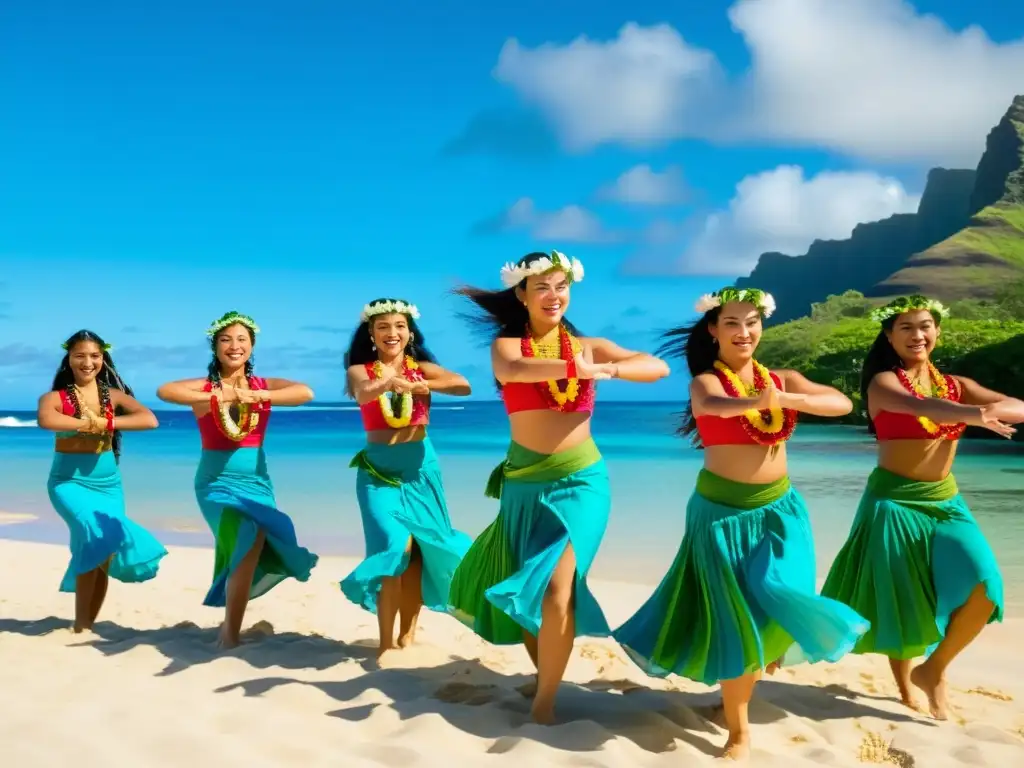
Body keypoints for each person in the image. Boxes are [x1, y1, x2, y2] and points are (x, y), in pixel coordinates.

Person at [612, 287, 869, 761]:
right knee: (737, 618)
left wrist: (786, 396)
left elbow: (841, 405)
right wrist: (760, 400)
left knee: (782, 596)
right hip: (722, 516)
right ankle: (739, 732)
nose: (744, 331)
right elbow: (713, 408)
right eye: (732, 323)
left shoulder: (782, 378)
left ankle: (744, 683)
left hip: (782, 512)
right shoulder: (706, 382)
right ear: (713, 329)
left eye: (751, 321)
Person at [447, 250, 670, 725]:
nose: (553, 296)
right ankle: (546, 674)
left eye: (561, 286)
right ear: (522, 294)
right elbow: (516, 372)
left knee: (555, 588)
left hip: (582, 481)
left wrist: (608, 368)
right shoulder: (507, 346)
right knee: (529, 596)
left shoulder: (589, 346)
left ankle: (544, 704)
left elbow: (656, 367)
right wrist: (575, 369)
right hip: (524, 485)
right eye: (542, 287)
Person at [820, 295, 1022, 720]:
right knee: (905, 596)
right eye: (906, 328)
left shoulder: (957, 384)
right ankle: (905, 683)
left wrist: (984, 409)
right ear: (889, 336)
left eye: (925, 325)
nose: (918, 335)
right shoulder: (883, 384)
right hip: (893, 501)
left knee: (987, 586)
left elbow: (1015, 406)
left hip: (945, 500)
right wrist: (975, 413)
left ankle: (934, 670)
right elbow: (920, 406)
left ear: (937, 332)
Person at [156, 311, 319, 648]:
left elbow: (305, 392)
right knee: (246, 532)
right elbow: (165, 390)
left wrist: (259, 397)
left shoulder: (262, 387)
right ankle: (229, 635)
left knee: (251, 543)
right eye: (226, 339)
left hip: (257, 483)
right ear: (215, 346)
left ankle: (231, 626)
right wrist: (216, 397)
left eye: (242, 339)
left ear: (252, 345)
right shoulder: (204, 388)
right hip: (215, 482)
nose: (235, 345)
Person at [340, 298, 473, 659]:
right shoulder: (360, 370)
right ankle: (385, 643)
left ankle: (407, 638)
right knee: (394, 547)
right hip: (378, 471)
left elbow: (463, 385)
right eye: (383, 327)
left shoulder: (423, 369)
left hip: (421, 469)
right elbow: (363, 392)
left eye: (399, 326)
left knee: (419, 553)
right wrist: (389, 382)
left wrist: (422, 386)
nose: (392, 333)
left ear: (409, 332)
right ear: (371, 333)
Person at [36, 329, 166, 633]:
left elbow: (149, 419)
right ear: (68, 359)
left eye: (94, 356)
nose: (87, 362)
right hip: (68, 483)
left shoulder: (114, 396)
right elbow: (47, 420)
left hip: (108, 484)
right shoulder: (54, 398)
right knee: (93, 534)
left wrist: (106, 422)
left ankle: (86, 624)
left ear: (103, 359)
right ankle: (82, 624)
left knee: (102, 549)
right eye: (80, 355)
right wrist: (87, 424)